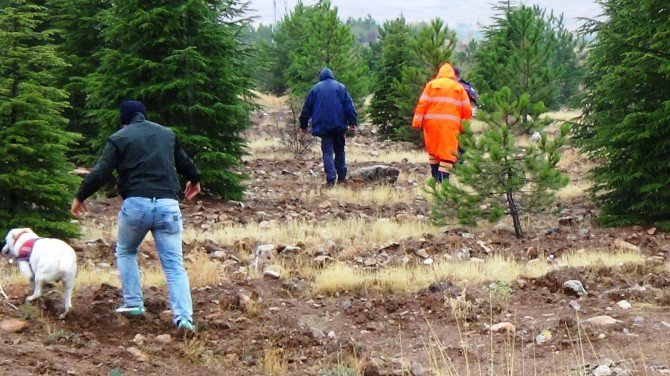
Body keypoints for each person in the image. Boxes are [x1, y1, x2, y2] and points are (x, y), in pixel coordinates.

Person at [71, 100, 201, 332]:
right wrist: (195, 179)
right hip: (168, 205)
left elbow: (101, 172)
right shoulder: (166, 134)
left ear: (124, 119)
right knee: (174, 265)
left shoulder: (119, 138)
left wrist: (81, 196)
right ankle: (184, 319)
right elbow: (185, 162)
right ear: (143, 115)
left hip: (136, 205)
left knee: (126, 251)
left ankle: (133, 303)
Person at [412, 63, 472, 182]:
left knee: (433, 151)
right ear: (453, 75)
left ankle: (435, 177)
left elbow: (422, 104)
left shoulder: (431, 85)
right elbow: (467, 110)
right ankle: (443, 182)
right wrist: (464, 128)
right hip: (450, 126)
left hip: (431, 125)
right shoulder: (458, 88)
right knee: (448, 153)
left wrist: (417, 122)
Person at [299, 68, 358, 187]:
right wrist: (352, 122)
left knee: (327, 152)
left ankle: (331, 179)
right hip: (339, 125)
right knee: (340, 150)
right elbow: (349, 106)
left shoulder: (315, 89)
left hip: (323, 126)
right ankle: (341, 177)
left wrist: (303, 124)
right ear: (332, 76)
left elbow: (307, 108)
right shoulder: (340, 87)